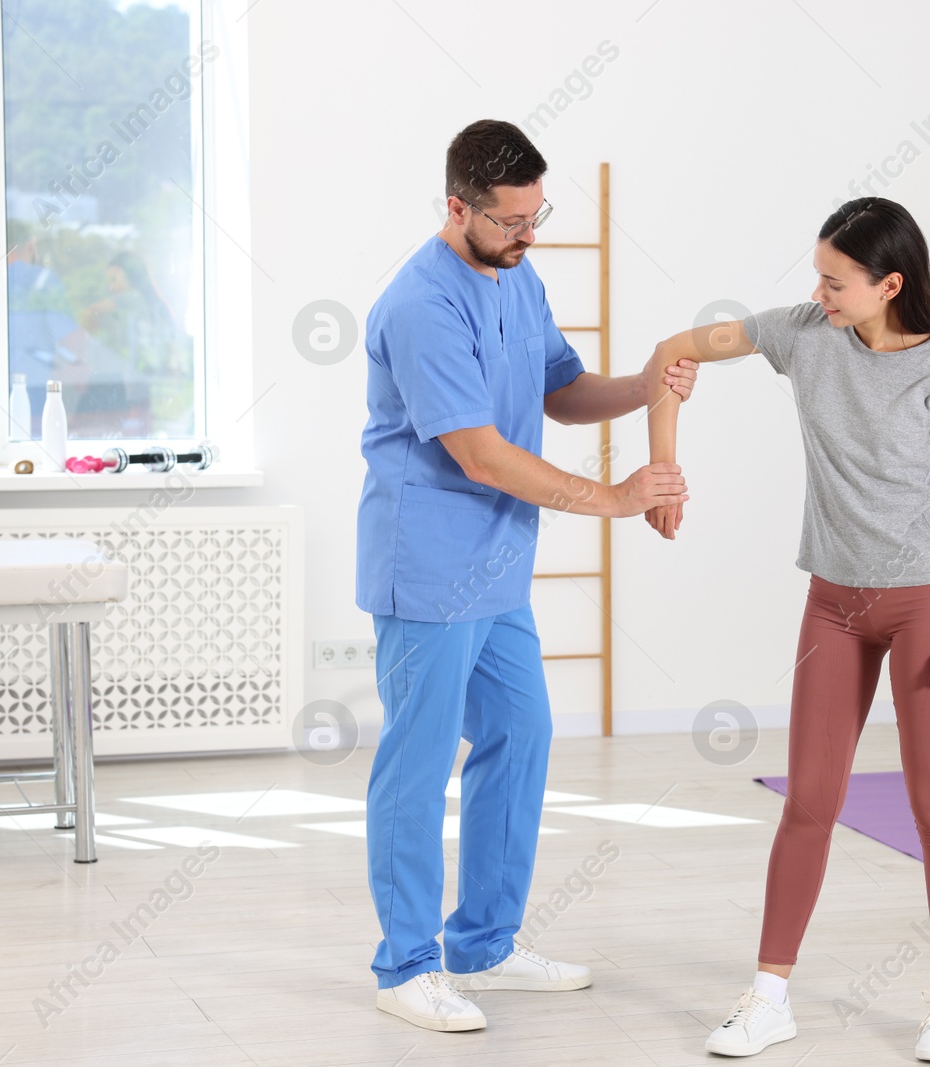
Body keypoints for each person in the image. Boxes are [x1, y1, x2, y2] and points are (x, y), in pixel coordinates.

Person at [355, 119, 699, 1033]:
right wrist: (618, 498)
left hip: (497, 568)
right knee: (418, 764)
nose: (529, 234)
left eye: (538, 215)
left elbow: (559, 388)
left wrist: (645, 382)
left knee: (523, 735)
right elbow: (479, 454)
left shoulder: (518, 274)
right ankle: (406, 965)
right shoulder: (423, 304)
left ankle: (485, 945)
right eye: (511, 220)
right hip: (427, 564)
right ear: (457, 207)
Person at [641, 198, 930, 1062]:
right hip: (833, 602)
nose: (819, 291)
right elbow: (670, 351)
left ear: (890, 285)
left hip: (924, 601)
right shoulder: (804, 334)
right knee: (810, 801)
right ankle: (768, 999)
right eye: (818, 275)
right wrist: (665, 468)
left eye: (836, 281)